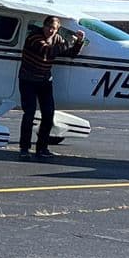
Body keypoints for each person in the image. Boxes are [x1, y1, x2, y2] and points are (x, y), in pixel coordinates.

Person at [18, 16, 85, 160]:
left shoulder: (57, 39)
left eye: (53, 28)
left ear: (57, 29)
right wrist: (70, 41)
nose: (50, 30)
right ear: (43, 26)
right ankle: (24, 148)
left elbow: (70, 54)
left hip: (45, 80)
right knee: (29, 113)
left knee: (48, 115)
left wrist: (79, 42)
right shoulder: (34, 37)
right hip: (28, 79)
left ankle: (42, 148)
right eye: (48, 27)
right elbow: (47, 51)